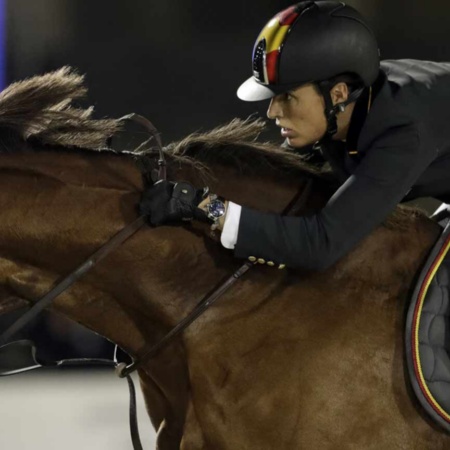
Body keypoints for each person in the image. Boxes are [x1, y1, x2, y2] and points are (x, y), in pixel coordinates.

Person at [140, 1, 450, 271]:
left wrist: (207, 207)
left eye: (287, 96)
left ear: (338, 94)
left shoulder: (402, 131)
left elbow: (320, 246)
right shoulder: (345, 106)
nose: (272, 111)